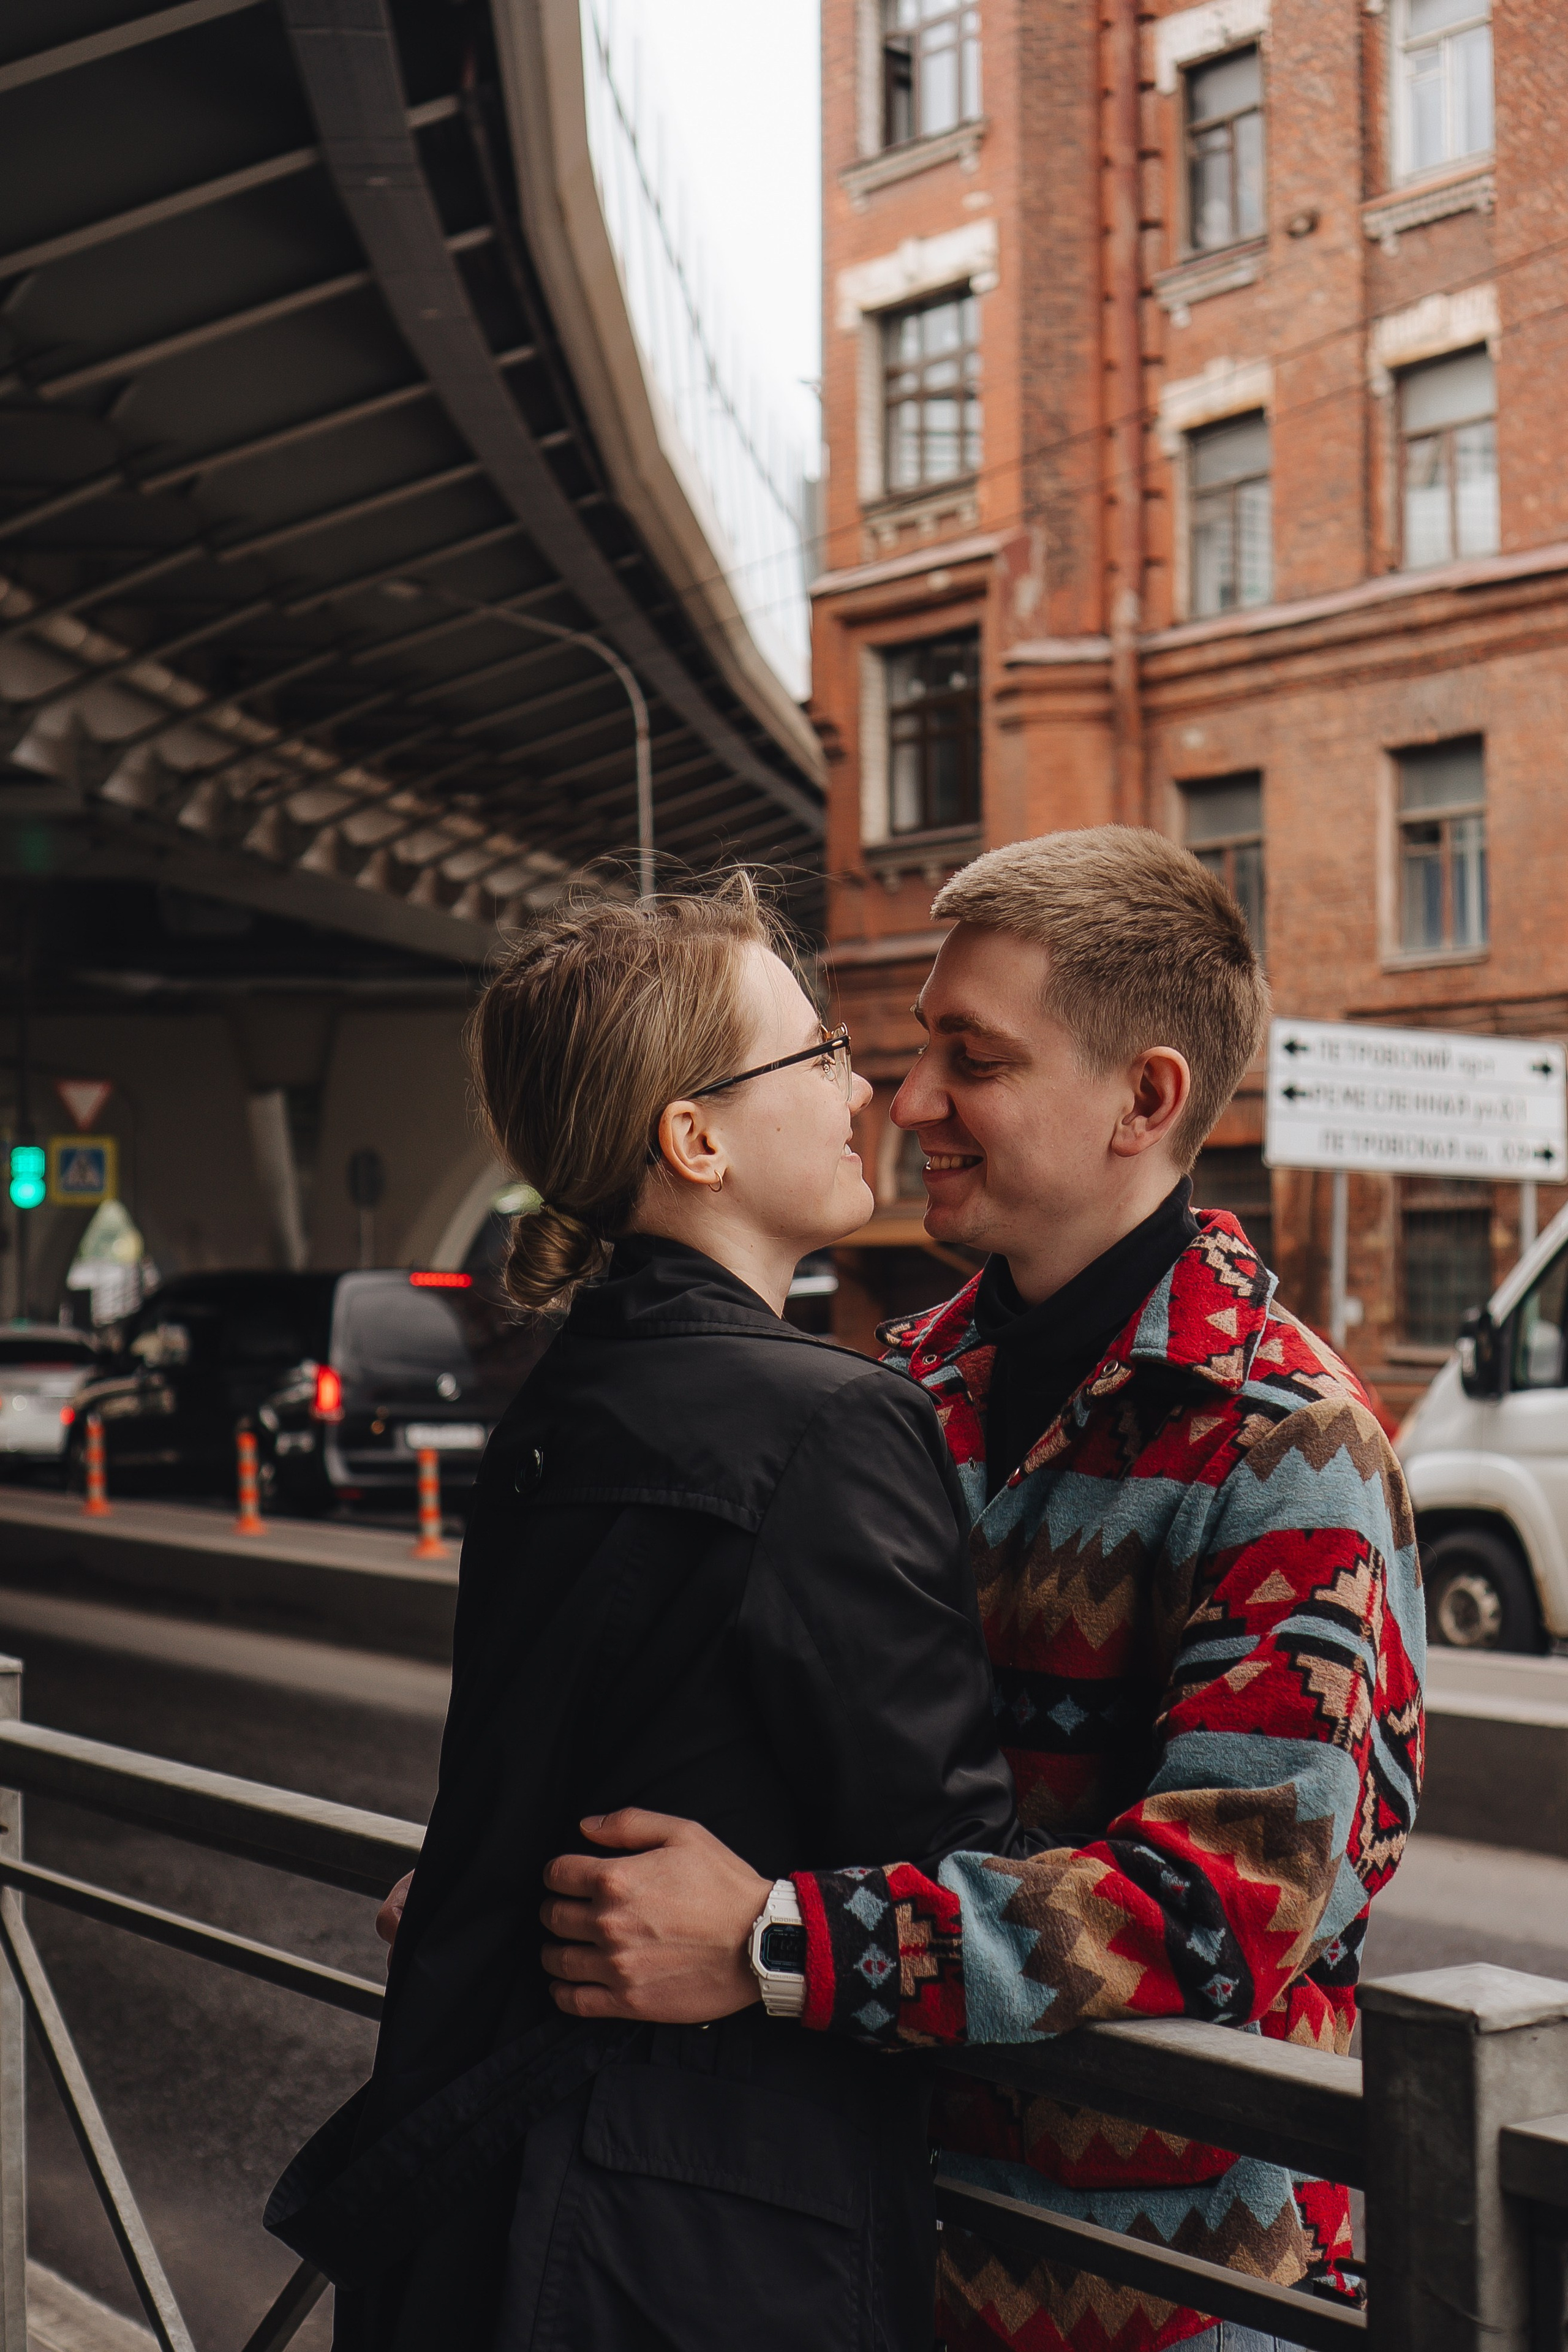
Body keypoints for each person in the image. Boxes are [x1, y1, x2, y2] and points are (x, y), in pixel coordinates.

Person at [535, 829, 1425, 2352]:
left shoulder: (1288, 1447)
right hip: (860, 2248)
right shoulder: (898, 1390)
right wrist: (535, 1872)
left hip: (1168, 2300)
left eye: (973, 1059)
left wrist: (775, 1943)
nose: (910, 1100)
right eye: (914, 1050)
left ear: (1142, 1099)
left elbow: (1221, 1909)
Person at [265, 877, 1019, 2351]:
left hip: (488, 2187)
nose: (860, 1087)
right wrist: (771, 1936)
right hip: (702, 2228)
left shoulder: (571, 1393)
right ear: (695, 1136)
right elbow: (949, 1865)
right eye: (814, 1056)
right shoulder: (828, 1423)